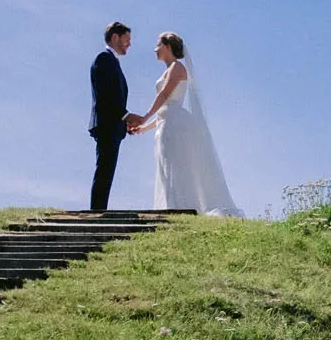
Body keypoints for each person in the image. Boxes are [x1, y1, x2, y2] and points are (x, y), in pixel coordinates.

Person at [129, 31, 240, 215]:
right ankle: (169, 206)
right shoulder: (168, 70)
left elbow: (164, 95)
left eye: (158, 45)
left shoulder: (177, 67)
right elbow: (164, 110)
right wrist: (144, 128)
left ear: (167, 46)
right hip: (166, 123)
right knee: (166, 165)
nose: (155, 49)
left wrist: (144, 116)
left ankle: (179, 207)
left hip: (175, 125)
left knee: (175, 166)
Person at [87, 22, 142, 211]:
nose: (129, 44)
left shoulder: (113, 62)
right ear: (115, 37)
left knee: (107, 170)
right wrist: (126, 115)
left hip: (113, 125)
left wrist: (124, 122)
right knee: (104, 169)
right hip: (106, 125)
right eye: (127, 40)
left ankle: (99, 209)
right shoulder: (104, 59)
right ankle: (97, 212)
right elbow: (105, 97)